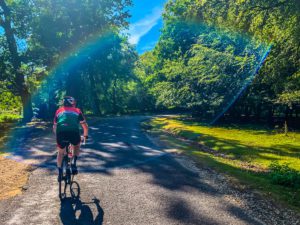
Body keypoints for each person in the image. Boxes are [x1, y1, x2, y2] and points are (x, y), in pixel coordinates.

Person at [53, 96, 88, 181]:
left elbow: (54, 126)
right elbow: (85, 127)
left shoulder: (58, 111)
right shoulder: (77, 111)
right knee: (76, 145)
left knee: (60, 152)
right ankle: (73, 163)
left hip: (61, 133)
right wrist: (85, 136)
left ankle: (60, 173)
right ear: (72, 103)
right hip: (74, 132)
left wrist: (57, 136)